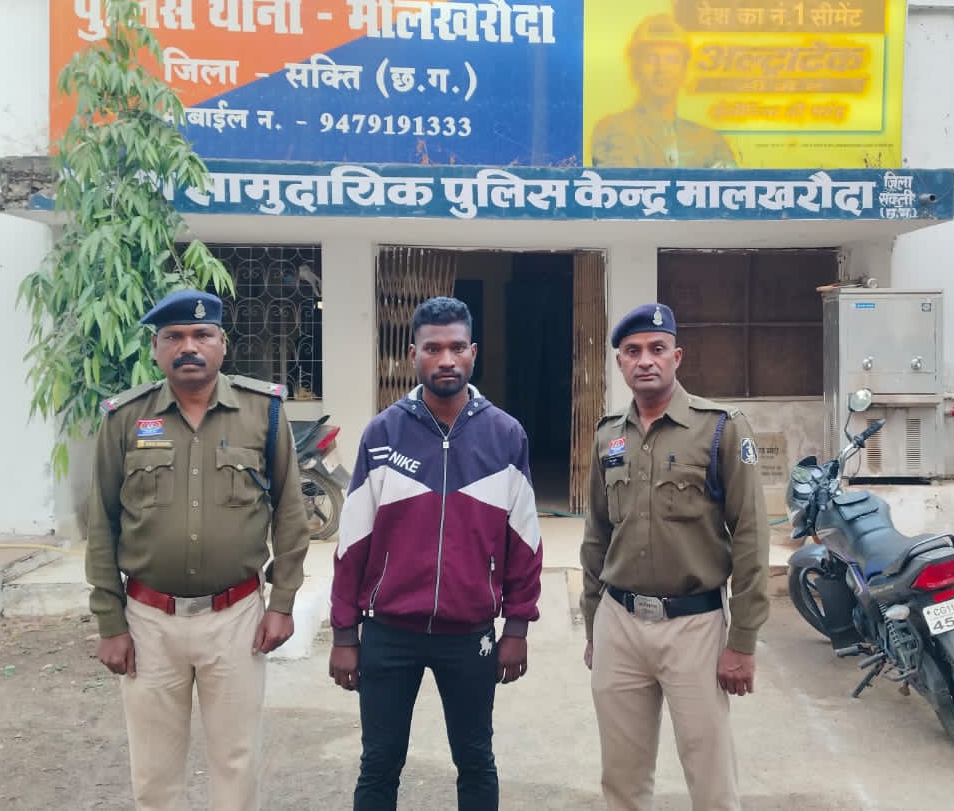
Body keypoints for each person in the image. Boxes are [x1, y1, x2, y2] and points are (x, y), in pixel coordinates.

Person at [85, 288, 311, 811]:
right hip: (148, 620)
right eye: (174, 337)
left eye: (202, 334)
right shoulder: (125, 418)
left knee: (236, 760)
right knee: (154, 768)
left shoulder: (263, 412)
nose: (189, 346)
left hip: (236, 618)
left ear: (222, 344)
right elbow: (102, 522)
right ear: (156, 349)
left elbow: (290, 513)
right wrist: (110, 622)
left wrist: (281, 603)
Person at [328, 296, 543, 811]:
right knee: (379, 763)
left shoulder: (506, 435)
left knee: (475, 759)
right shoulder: (383, 433)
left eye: (456, 347)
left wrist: (517, 627)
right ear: (413, 355)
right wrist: (344, 634)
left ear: (473, 353)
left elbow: (524, 540)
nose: (445, 359)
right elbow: (353, 541)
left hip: (469, 634)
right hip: (389, 633)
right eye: (432, 348)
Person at [580, 302, 770, 811]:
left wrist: (743, 641)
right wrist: (593, 625)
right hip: (619, 622)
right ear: (620, 362)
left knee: (710, 775)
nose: (645, 360)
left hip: (694, 627)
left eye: (657, 349)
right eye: (633, 351)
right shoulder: (608, 434)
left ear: (676, 357)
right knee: (621, 776)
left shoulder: (721, 428)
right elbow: (596, 535)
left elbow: (751, 536)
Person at [590, 13, 738, 169]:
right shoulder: (614, 130)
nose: (662, 69)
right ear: (635, 67)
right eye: (651, 59)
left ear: (684, 69)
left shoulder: (711, 142)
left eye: (672, 59)